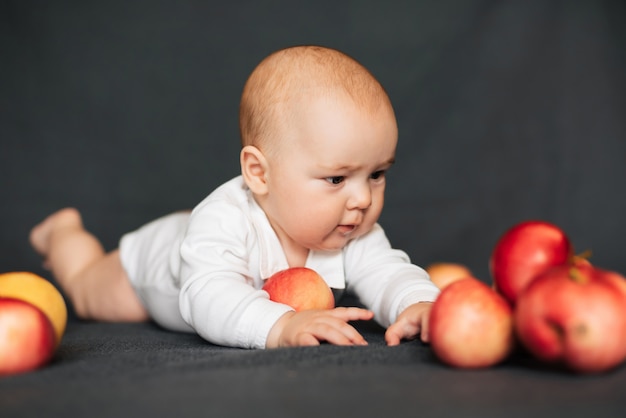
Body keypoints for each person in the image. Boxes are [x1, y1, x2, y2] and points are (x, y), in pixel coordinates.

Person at [30, 45, 440, 349]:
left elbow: (387, 270)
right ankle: (62, 232)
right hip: (153, 266)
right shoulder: (224, 221)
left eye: (377, 175)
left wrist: (417, 303)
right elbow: (209, 297)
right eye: (336, 179)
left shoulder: (352, 226)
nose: (363, 199)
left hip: (203, 232)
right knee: (87, 291)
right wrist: (278, 327)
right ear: (259, 173)